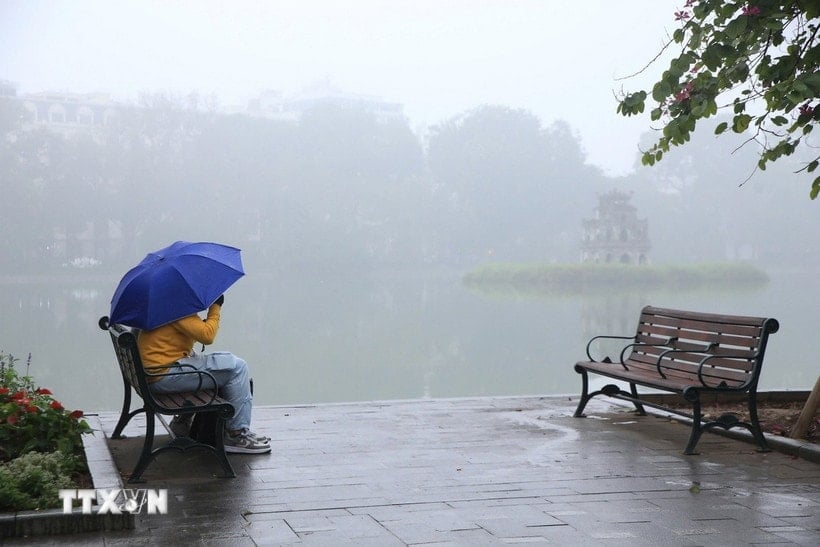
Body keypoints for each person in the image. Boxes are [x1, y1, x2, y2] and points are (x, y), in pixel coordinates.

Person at [136, 294, 270, 454]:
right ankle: (236, 434)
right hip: (164, 376)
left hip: (155, 373)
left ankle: (183, 422)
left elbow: (176, 337)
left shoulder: (163, 304)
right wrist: (215, 307)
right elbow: (207, 336)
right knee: (237, 367)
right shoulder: (177, 306)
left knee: (220, 363)